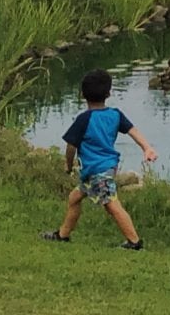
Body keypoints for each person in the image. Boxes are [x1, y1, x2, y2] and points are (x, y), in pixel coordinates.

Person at [43, 68, 159, 249]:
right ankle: (62, 235)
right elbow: (133, 131)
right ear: (109, 93)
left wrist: (68, 164)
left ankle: (134, 241)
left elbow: (71, 146)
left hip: (98, 170)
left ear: (82, 95)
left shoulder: (84, 119)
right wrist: (147, 147)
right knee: (74, 198)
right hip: (97, 170)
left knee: (111, 204)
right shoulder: (115, 115)